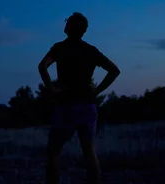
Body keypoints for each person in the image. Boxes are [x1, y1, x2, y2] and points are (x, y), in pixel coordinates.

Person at [38, 12, 120, 184]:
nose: (65, 23)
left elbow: (42, 66)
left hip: (66, 104)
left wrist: (51, 89)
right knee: (88, 150)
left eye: (67, 22)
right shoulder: (91, 50)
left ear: (70, 27)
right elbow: (114, 71)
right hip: (87, 105)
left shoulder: (59, 48)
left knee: (53, 151)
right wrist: (97, 91)